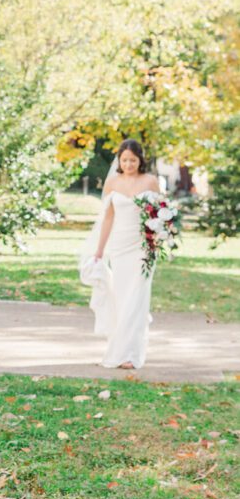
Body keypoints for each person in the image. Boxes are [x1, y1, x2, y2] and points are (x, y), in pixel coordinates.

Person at [80, 139, 160, 369]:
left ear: (140, 160)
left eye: (132, 160)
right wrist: (99, 250)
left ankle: (130, 354)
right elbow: (108, 218)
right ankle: (120, 347)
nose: (128, 164)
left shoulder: (150, 182)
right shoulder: (113, 183)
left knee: (137, 299)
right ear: (119, 160)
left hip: (144, 247)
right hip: (120, 247)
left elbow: (160, 213)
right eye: (124, 160)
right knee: (122, 298)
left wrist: (159, 238)